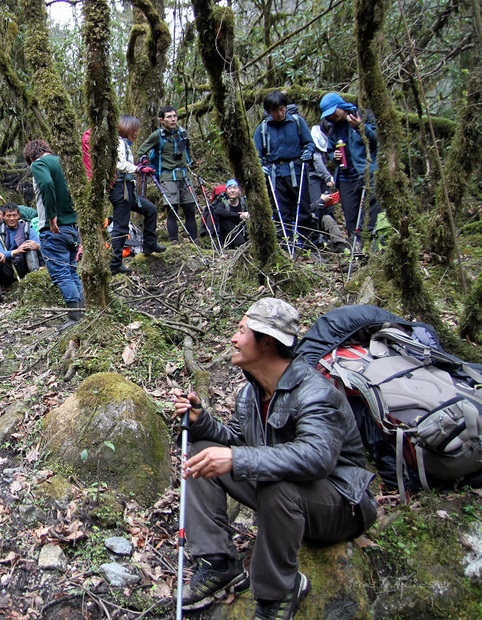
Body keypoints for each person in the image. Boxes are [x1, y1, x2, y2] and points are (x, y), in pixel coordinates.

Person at [172, 298, 377, 619]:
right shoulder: (250, 394)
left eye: (241, 331)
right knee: (201, 455)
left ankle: (278, 593)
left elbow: (317, 458)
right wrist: (204, 423)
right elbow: (238, 442)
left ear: (266, 342)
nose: (233, 339)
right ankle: (218, 563)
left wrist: (237, 458)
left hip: (340, 507)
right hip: (287, 497)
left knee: (276, 485)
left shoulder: (316, 393)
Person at [23, 139, 83, 326]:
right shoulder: (65, 163)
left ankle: (74, 318)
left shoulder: (38, 164)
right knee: (72, 271)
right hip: (72, 227)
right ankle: (81, 313)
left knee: (62, 274)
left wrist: (51, 216)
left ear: (31, 157)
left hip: (54, 229)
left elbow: (47, 184)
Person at [253, 91, 317, 246]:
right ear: (269, 111)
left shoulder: (297, 122)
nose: (279, 113)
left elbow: (309, 143)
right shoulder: (263, 129)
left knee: (303, 206)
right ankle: (285, 243)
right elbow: (255, 153)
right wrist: (261, 166)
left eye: (282, 108)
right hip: (275, 174)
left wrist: (308, 152)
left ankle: (307, 243)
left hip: (296, 170)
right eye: (275, 110)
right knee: (281, 210)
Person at [319, 92, 381, 246]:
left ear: (341, 106)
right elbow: (330, 150)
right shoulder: (333, 129)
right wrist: (335, 156)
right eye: (329, 115)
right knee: (351, 217)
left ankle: (367, 247)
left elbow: (375, 141)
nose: (332, 117)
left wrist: (360, 127)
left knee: (369, 214)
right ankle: (355, 249)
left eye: (334, 112)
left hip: (365, 173)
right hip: (346, 178)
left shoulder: (363, 116)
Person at [109, 115, 166, 274]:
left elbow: (125, 164)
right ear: (126, 128)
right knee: (121, 227)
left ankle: (149, 245)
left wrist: (139, 166)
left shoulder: (125, 144)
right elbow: (120, 164)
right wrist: (138, 169)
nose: (136, 133)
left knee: (151, 210)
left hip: (127, 189)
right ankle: (115, 264)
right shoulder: (119, 143)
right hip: (121, 189)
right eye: (134, 130)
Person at [137, 105, 197, 244]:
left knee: (190, 208)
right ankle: (174, 241)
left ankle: (195, 241)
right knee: (172, 209)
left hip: (184, 175)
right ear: (161, 120)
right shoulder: (157, 135)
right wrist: (145, 162)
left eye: (175, 116)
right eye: (169, 117)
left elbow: (187, 150)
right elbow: (142, 150)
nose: (173, 119)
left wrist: (190, 162)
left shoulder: (182, 133)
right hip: (167, 176)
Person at [0, 203, 42, 305]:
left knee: (30, 247)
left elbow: (39, 244)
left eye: (14, 215)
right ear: (3, 216)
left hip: (25, 265)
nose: (12, 218)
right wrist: (16, 251)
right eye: (8, 216)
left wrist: (36, 246)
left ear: (19, 215)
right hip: (9, 268)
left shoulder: (27, 228)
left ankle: (35, 281)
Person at [211, 179, 250, 249]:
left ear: (239, 190)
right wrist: (238, 215)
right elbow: (218, 211)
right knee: (224, 219)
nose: (232, 191)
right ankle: (242, 245)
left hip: (244, 233)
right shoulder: (223, 202)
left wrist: (247, 215)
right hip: (228, 238)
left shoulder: (244, 202)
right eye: (229, 188)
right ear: (226, 191)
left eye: (235, 188)